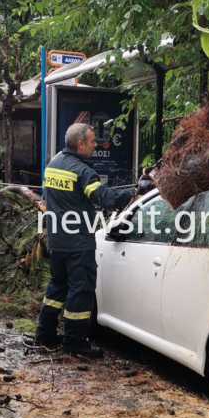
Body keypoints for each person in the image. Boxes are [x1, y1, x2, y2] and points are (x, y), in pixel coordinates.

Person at [35, 122, 135, 358]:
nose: (95, 145)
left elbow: (46, 198)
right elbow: (105, 199)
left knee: (57, 287)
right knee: (81, 291)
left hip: (57, 241)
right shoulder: (83, 172)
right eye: (92, 141)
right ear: (80, 144)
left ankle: (45, 333)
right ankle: (75, 342)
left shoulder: (53, 164)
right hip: (78, 242)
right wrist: (132, 194)